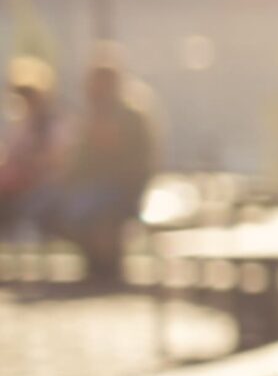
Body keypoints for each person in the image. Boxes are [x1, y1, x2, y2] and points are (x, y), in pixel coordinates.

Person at [37, 47, 160, 283]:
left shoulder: (126, 116)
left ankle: (105, 265)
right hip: (95, 186)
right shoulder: (95, 114)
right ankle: (97, 261)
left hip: (122, 187)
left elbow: (122, 160)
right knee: (52, 205)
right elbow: (79, 159)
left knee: (85, 208)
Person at [0, 56, 62, 242]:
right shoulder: (20, 124)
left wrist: (27, 165)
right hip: (15, 186)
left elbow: (55, 161)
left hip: (42, 187)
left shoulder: (51, 125)